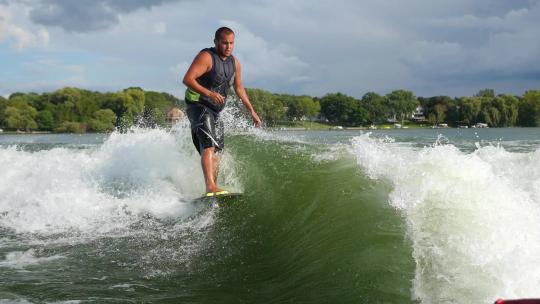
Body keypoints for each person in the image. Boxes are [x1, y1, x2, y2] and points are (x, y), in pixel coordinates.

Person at [182, 26, 262, 196]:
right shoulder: (206, 57)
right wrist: (209, 93)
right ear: (216, 42)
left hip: (214, 111)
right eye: (224, 43)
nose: (228, 47)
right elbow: (187, 79)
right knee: (209, 145)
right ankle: (210, 187)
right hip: (197, 104)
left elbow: (239, 88)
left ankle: (213, 189)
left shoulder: (235, 63)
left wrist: (252, 112)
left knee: (217, 150)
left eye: (231, 43)